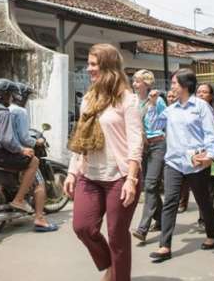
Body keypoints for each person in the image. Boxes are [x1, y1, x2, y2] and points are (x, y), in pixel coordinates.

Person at [63, 43, 143, 281]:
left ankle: (119, 276)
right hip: (90, 175)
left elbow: (135, 142)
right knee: (82, 227)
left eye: (93, 64)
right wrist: (71, 173)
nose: (88, 69)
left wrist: (131, 179)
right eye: (88, 64)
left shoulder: (127, 100)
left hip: (120, 176)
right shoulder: (88, 99)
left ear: (108, 67)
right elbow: (82, 138)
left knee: (117, 236)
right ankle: (112, 265)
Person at [147, 68, 214, 262]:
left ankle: (212, 234)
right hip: (174, 162)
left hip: (196, 162)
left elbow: (210, 134)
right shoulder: (170, 109)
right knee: (170, 202)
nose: (171, 87)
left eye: (174, 84)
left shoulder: (201, 107)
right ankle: (164, 246)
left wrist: (210, 156)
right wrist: (153, 105)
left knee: (203, 201)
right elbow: (154, 126)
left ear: (186, 86)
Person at [10, 82, 58, 231]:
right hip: (19, 153)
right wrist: (37, 141)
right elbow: (24, 138)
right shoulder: (20, 112)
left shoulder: (5, 108)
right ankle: (39, 218)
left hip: (3, 152)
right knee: (39, 182)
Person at [0, 78, 38, 214]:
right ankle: (19, 199)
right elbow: (7, 140)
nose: (11, 98)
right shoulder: (3, 112)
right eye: (10, 95)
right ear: (3, 95)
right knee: (34, 161)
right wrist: (22, 149)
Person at [131, 70, 167, 243]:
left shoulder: (158, 100)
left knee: (151, 184)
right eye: (134, 81)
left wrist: (152, 106)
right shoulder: (131, 101)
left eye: (137, 81)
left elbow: (162, 123)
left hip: (157, 144)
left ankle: (142, 228)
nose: (135, 84)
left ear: (146, 83)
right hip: (141, 147)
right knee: (148, 185)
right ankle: (160, 218)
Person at [194, 83, 214, 232]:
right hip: (197, 156)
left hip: (213, 156)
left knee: (210, 190)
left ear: (211, 96)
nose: (201, 94)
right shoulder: (190, 113)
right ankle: (205, 216)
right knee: (200, 189)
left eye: (205, 92)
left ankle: (204, 219)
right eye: (199, 92)